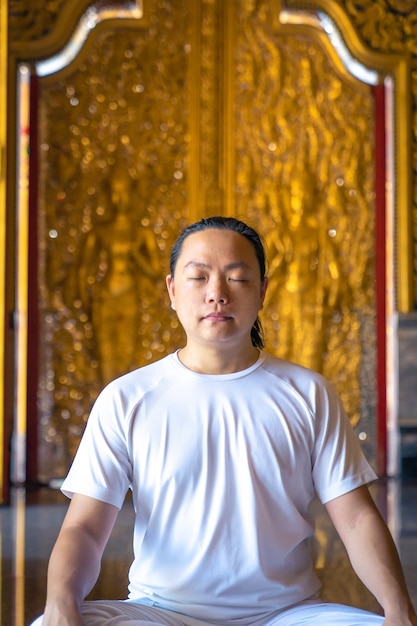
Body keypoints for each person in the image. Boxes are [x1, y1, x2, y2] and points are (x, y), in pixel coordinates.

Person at [32, 216, 417, 626]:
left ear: (263, 291)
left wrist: (399, 610)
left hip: (286, 615)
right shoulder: (127, 398)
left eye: (237, 278)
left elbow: (356, 518)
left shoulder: (308, 394)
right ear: (172, 291)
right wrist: (60, 603)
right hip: (159, 614)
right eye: (198, 277)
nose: (217, 294)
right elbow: (86, 528)